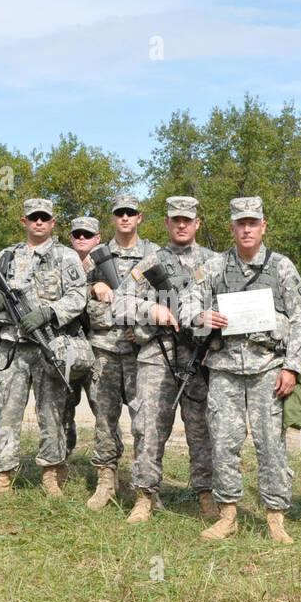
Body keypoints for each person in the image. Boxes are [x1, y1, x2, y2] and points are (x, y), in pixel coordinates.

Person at [192, 196, 301, 543]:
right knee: (224, 443)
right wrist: (200, 317)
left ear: (263, 227)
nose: (247, 229)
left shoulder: (282, 267)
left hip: (268, 371)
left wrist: (293, 367)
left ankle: (276, 519)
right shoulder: (213, 267)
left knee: (271, 445)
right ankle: (227, 516)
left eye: (253, 223)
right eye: (240, 223)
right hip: (225, 370)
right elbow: (186, 300)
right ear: (232, 228)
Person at [114, 195, 217, 523]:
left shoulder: (216, 262)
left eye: (188, 219)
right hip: (157, 354)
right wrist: (151, 309)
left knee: (202, 428)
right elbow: (119, 302)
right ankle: (145, 495)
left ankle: (206, 495)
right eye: (176, 219)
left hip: (199, 358)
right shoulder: (150, 262)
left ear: (197, 223)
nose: (182, 224)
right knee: (148, 426)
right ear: (167, 223)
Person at [0, 198, 87, 496]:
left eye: (44, 218)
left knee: (52, 412)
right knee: (6, 413)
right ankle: (2, 475)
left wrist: (49, 313)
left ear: (53, 222)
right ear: (24, 222)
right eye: (33, 218)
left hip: (49, 345)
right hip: (12, 346)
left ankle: (51, 474)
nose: (39, 222)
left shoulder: (67, 257)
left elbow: (79, 296)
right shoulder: (6, 256)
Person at [83, 194, 160, 511]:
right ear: (112, 218)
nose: (125, 218)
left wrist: (142, 328)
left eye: (130, 213)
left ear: (139, 217)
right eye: (119, 213)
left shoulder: (154, 255)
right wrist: (92, 288)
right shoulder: (97, 256)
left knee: (146, 422)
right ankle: (105, 482)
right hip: (104, 350)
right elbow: (75, 295)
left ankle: (147, 489)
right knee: (104, 418)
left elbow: (166, 299)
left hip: (142, 352)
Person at [63, 215, 101, 456]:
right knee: (63, 406)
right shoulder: (62, 262)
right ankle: (62, 459)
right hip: (67, 344)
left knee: (103, 408)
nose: (81, 238)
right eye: (77, 234)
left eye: (87, 235)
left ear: (97, 238)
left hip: (98, 345)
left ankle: (107, 465)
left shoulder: (107, 265)